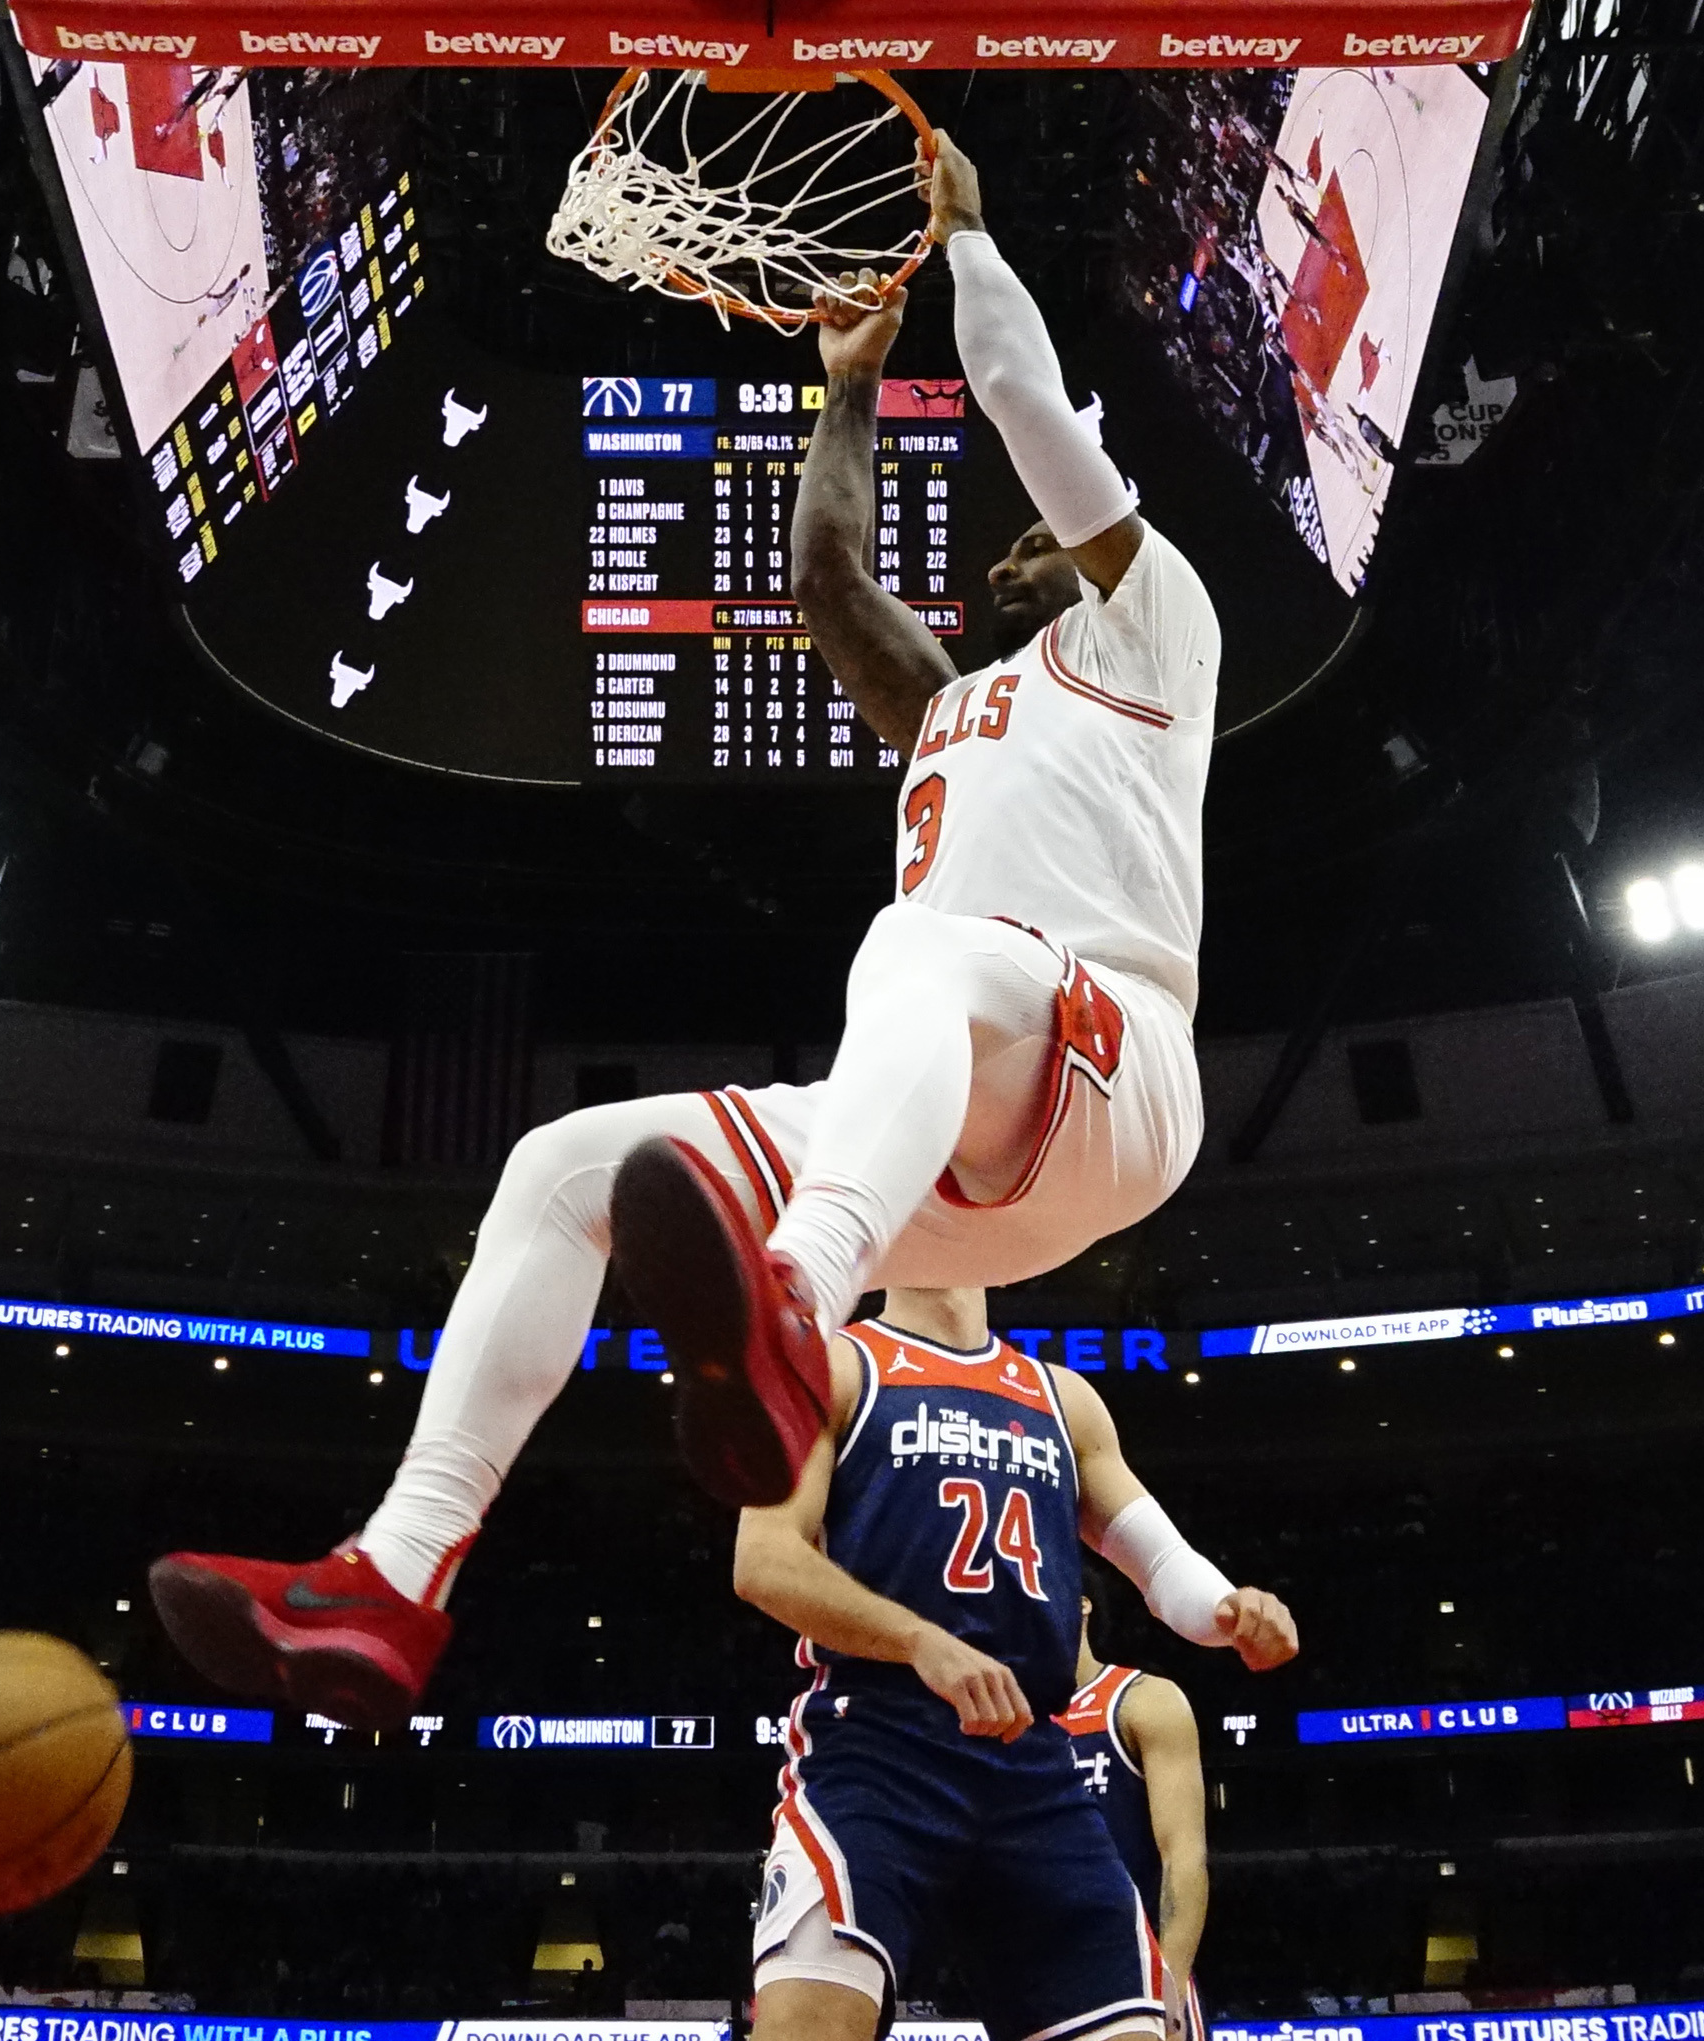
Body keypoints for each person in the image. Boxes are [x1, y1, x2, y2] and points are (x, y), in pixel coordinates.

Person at [150, 131, 1228, 1729]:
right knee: (561, 1168)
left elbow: (1015, 390)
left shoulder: (1153, 621)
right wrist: (850, 378)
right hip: (949, 1125)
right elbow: (821, 577)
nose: (1028, 537)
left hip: (1115, 1060)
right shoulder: (948, 709)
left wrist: (972, 242)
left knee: (911, 948)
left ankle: (792, 1299)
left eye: (1049, 532)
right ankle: (397, 1573)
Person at [731, 1286, 1291, 2041]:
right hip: (879, 1747)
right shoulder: (833, 1363)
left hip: (1031, 1761)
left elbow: (1162, 1564)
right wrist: (919, 1640)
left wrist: (1232, 1610)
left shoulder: (1063, 1396)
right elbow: (762, 1559)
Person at [1060, 1594, 1212, 2041]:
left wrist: (1171, 1987)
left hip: (1134, 1977)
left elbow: (1184, 1857)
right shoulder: (1010, 1716)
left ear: (1084, 1604)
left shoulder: (1143, 1701)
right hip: (1041, 1981)